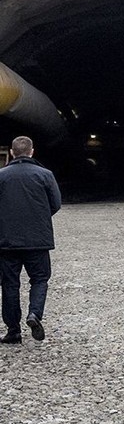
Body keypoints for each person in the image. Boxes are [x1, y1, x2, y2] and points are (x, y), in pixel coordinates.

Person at [0, 136, 61, 343]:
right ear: (32, 152)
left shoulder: (1, 176)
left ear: (11, 152)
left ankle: (13, 330)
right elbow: (56, 204)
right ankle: (34, 314)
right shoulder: (45, 175)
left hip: (7, 241)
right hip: (38, 239)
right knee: (40, 279)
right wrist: (38, 217)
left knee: (9, 284)